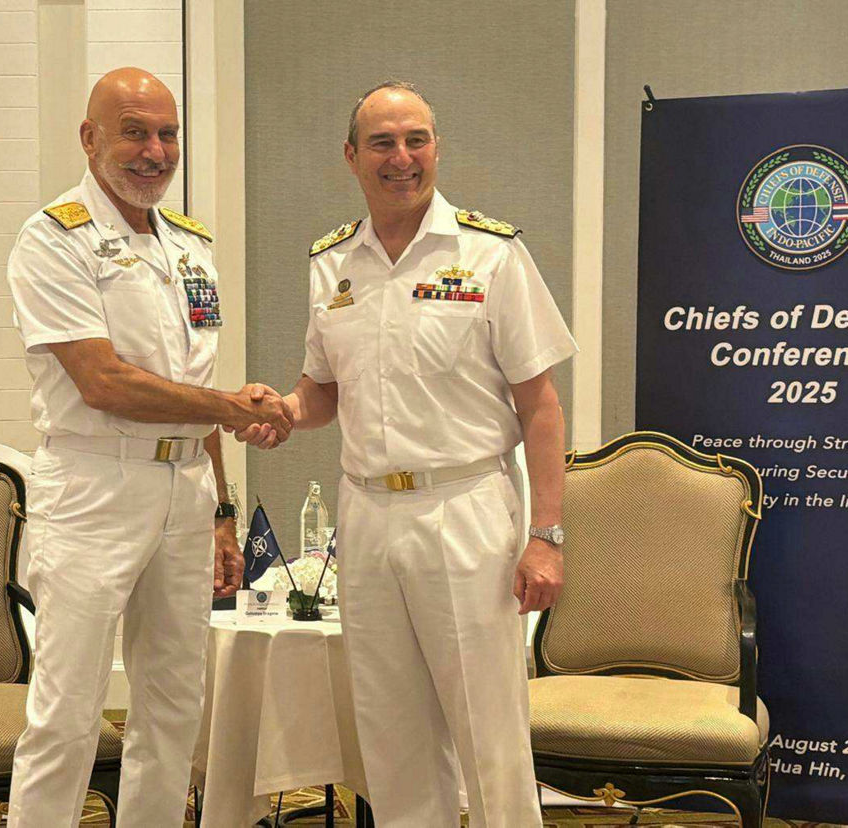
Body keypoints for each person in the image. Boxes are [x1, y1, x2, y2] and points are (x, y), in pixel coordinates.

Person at [237, 80, 576, 826]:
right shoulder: (332, 262)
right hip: (366, 516)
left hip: (464, 509)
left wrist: (546, 536)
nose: (402, 158)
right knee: (391, 736)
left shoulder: (490, 253)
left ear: (436, 148)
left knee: (488, 733)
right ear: (352, 156)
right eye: (383, 143)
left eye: (416, 139)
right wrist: (285, 413)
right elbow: (323, 390)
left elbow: (541, 407)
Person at [5, 67, 290, 827]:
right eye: (134, 132)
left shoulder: (190, 245)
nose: (154, 152)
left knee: (174, 704)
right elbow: (104, 383)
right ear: (90, 138)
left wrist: (222, 510)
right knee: (67, 711)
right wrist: (231, 409)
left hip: (186, 490)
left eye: (167, 134)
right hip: (93, 487)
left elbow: (192, 385)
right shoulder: (53, 239)